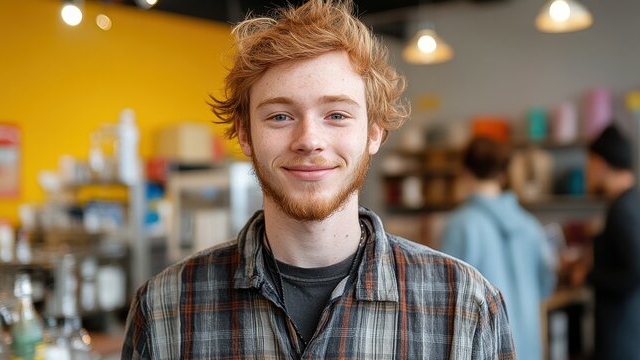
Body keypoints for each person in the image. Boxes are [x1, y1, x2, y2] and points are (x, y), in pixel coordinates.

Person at [122, 1, 515, 358]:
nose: (309, 140)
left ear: (374, 132)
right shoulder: (164, 311)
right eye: (280, 116)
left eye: (337, 115)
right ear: (244, 134)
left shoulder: (466, 308)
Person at [440, 137, 556, 360]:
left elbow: (443, 295)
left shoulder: (460, 225)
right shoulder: (530, 224)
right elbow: (546, 285)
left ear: (465, 172)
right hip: (528, 347)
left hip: (484, 348)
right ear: (503, 174)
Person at [582, 124, 640, 360]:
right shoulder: (632, 202)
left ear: (601, 163)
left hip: (620, 335)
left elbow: (633, 272)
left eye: (590, 166)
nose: (588, 173)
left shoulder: (622, 210)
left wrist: (587, 275)